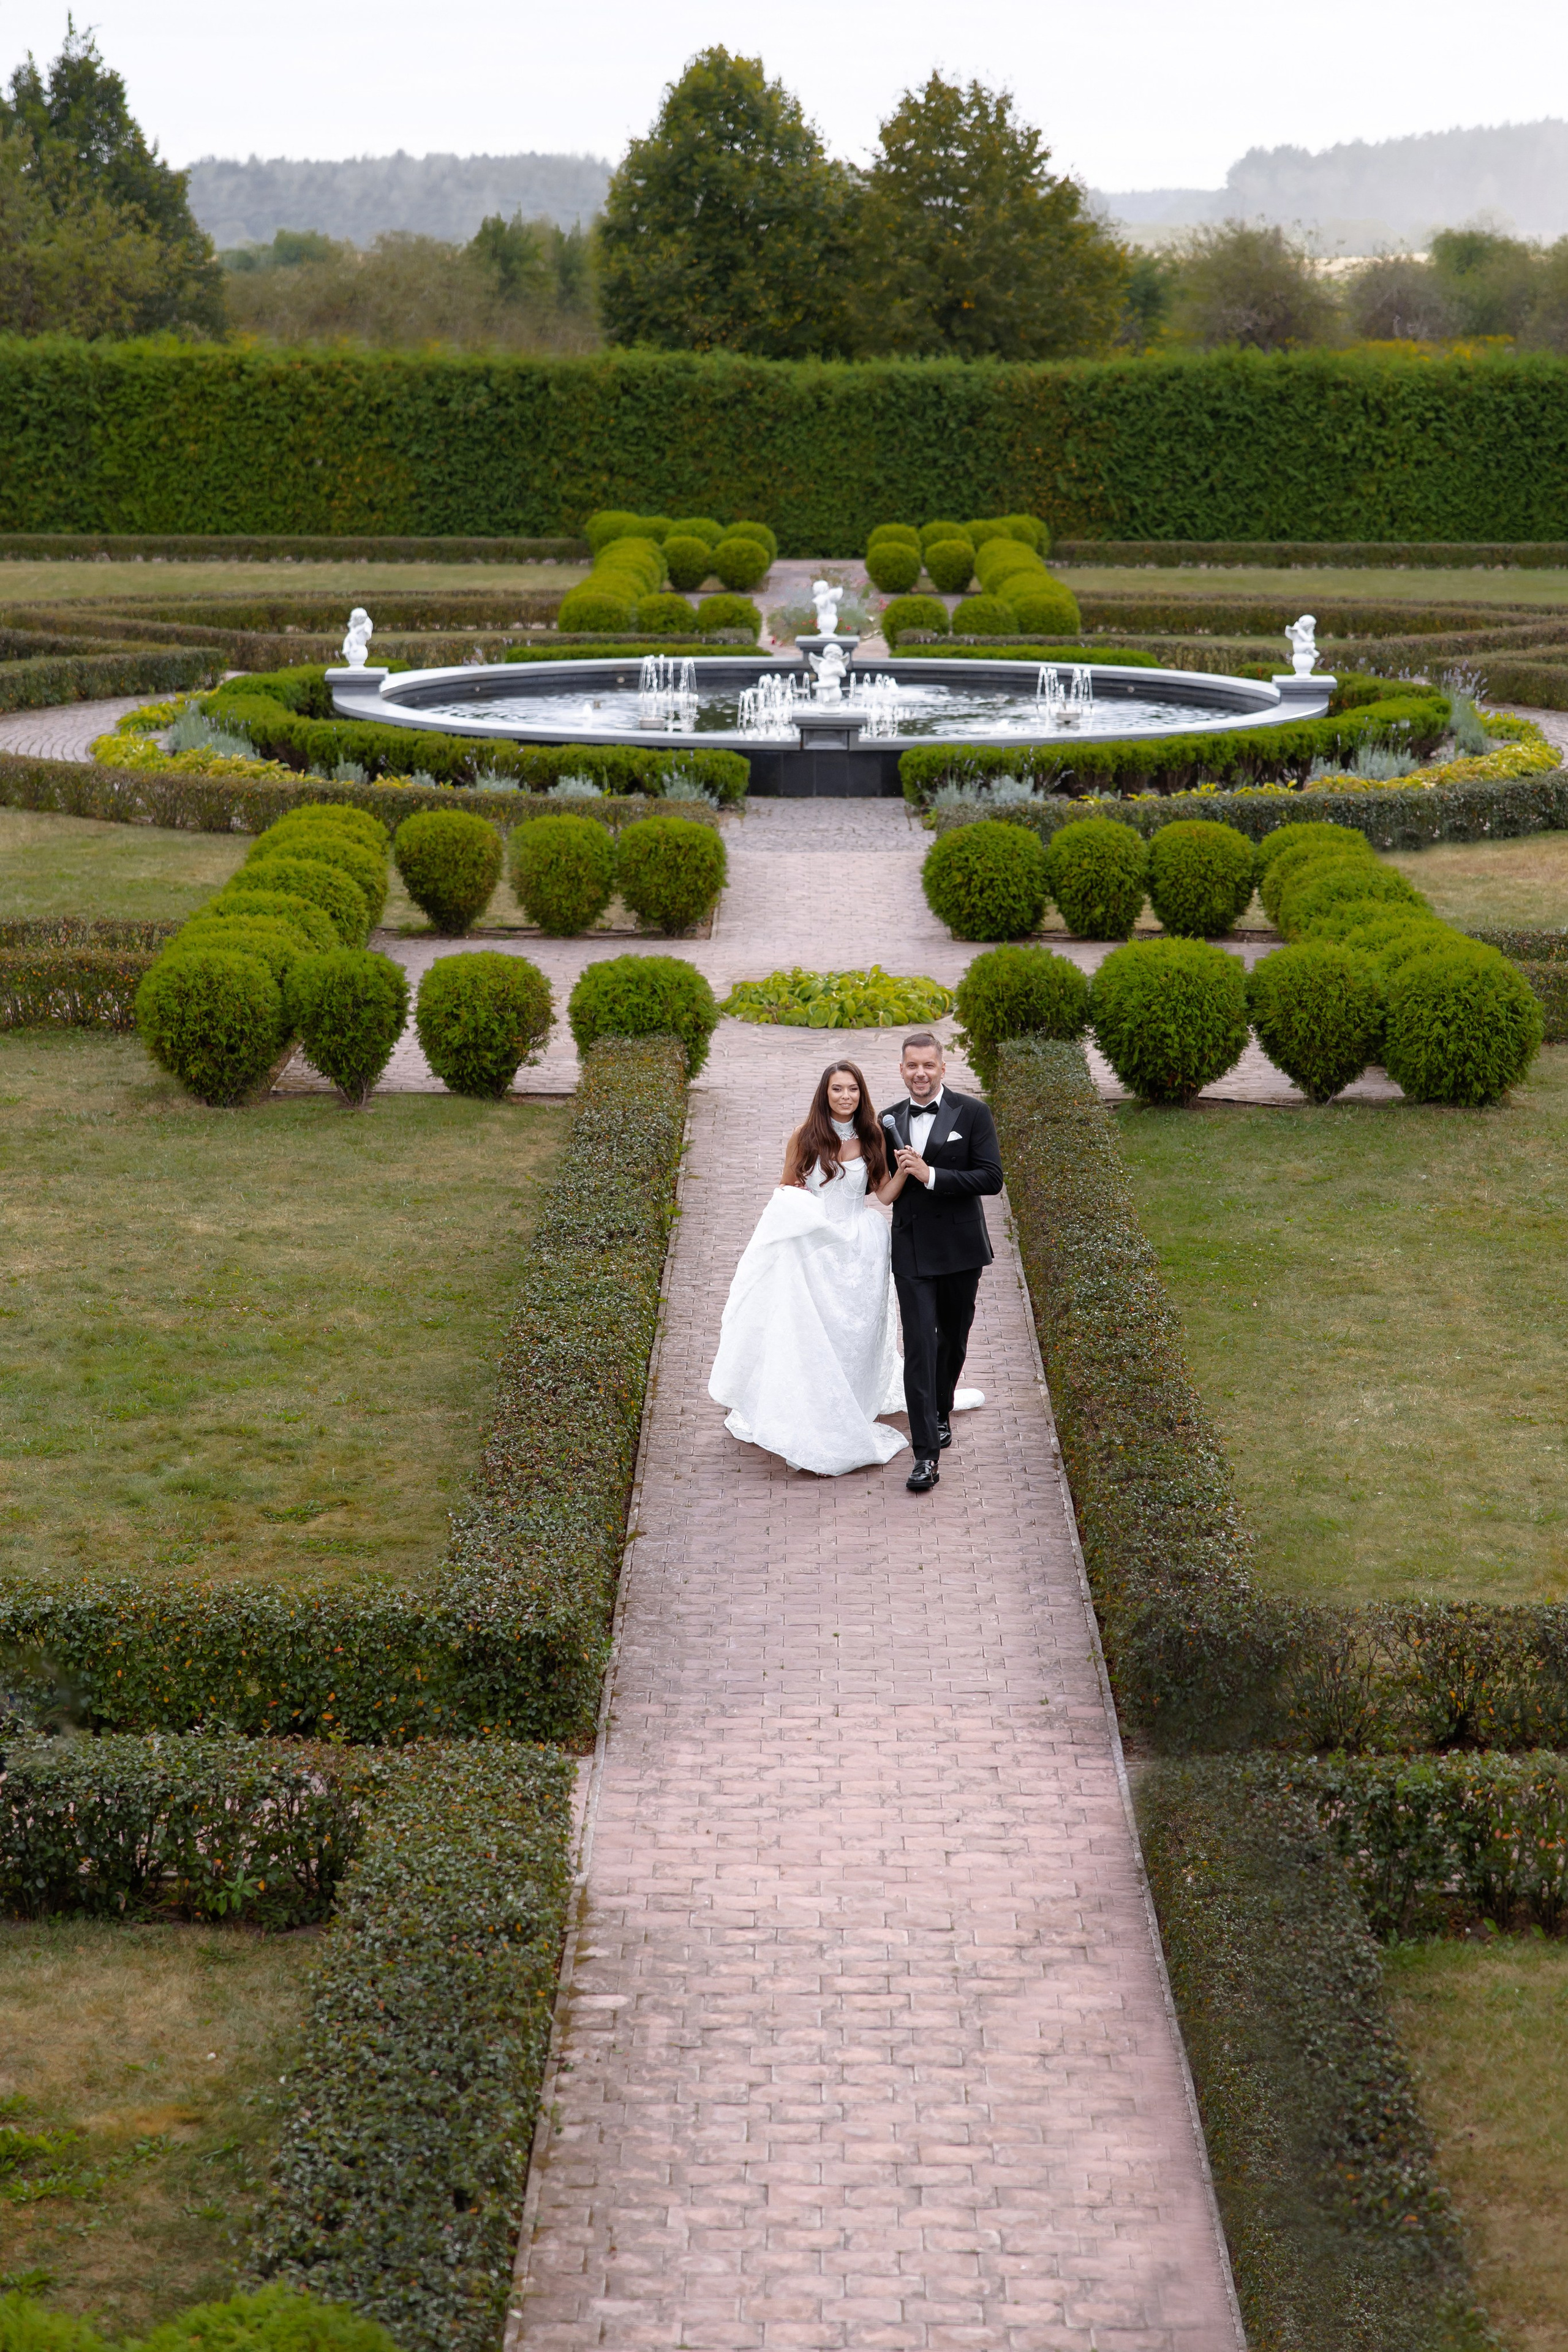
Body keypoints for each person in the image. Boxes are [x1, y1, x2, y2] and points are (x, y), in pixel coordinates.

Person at [707, 1058, 909, 1476]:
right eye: (837, 1089)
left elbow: (884, 1195)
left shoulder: (873, 1135)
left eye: (852, 1089)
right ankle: (813, 1410)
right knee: (814, 1330)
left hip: (860, 1251)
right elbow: (786, 1187)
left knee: (854, 1334)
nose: (845, 1096)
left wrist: (905, 1170)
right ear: (825, 1093)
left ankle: (851, 1402)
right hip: (815, 1249)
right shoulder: (805, 1136)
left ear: (861, 1094)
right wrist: (801, 1205)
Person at [879, 1032, 1004, 1494]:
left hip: (959, 1249)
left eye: (928, 1065)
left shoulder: (972, 1113)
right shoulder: (888, 1119)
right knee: (919, 1346)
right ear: (902, 1069)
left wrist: (932, 1175)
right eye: (912, 1065)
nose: (921, 1073)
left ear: (942, 1068)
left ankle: (940, 1409)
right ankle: (925, 1456)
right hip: (911, 1249)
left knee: (952, 1338)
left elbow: (991, 1178)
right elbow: (881, 1182)